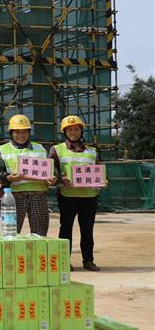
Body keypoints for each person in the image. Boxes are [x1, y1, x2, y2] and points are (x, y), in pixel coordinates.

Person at [51, 115, 105, 271]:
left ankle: (88, 260)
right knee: (65, 229)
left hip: (89, 196)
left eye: (76, 129)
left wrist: (103, 180)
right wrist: (61, 179)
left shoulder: (92, 151)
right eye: (69, 130)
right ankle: (64, 261)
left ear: (81, 131)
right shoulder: (57, 150)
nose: (73, 132)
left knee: (87, 230)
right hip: (67, 196)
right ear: (64, 132)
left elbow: (98, 171)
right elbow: (51, 171)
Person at [0, 114, 57, 236]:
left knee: (40, 234)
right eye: (17, 132)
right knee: (10, 233)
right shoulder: (2, 150)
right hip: (13, 197)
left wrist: (54, 177)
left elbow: (51, 169)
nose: (21, 135)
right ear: (11, 133)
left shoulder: (40, 148)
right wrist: (8, 177)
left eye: (24, 132)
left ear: (29, 132)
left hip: (38, 196)